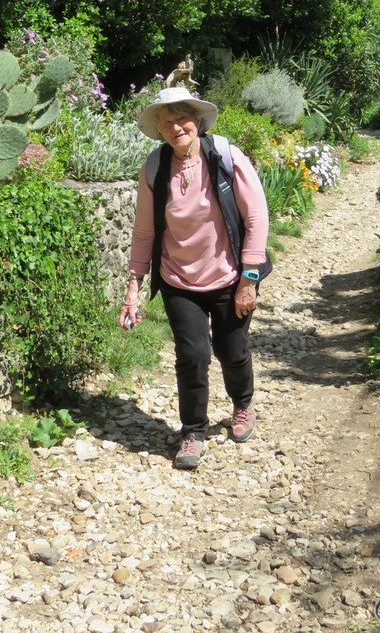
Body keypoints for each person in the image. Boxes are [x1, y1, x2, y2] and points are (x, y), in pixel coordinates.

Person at [119, 86, 270, 471]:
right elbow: (144, 231)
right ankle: (193, 431)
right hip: (178, 278)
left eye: (182, 119)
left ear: (197, 121)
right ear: (160, 130)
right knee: (192, 356)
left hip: (230, 276)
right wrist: (133, 287)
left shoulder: (225, 156)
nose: (175, 127)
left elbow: (256, 216)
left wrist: (249, 278)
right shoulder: (154, 168)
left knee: (231, 350)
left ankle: (242, 404)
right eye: (166, 122)